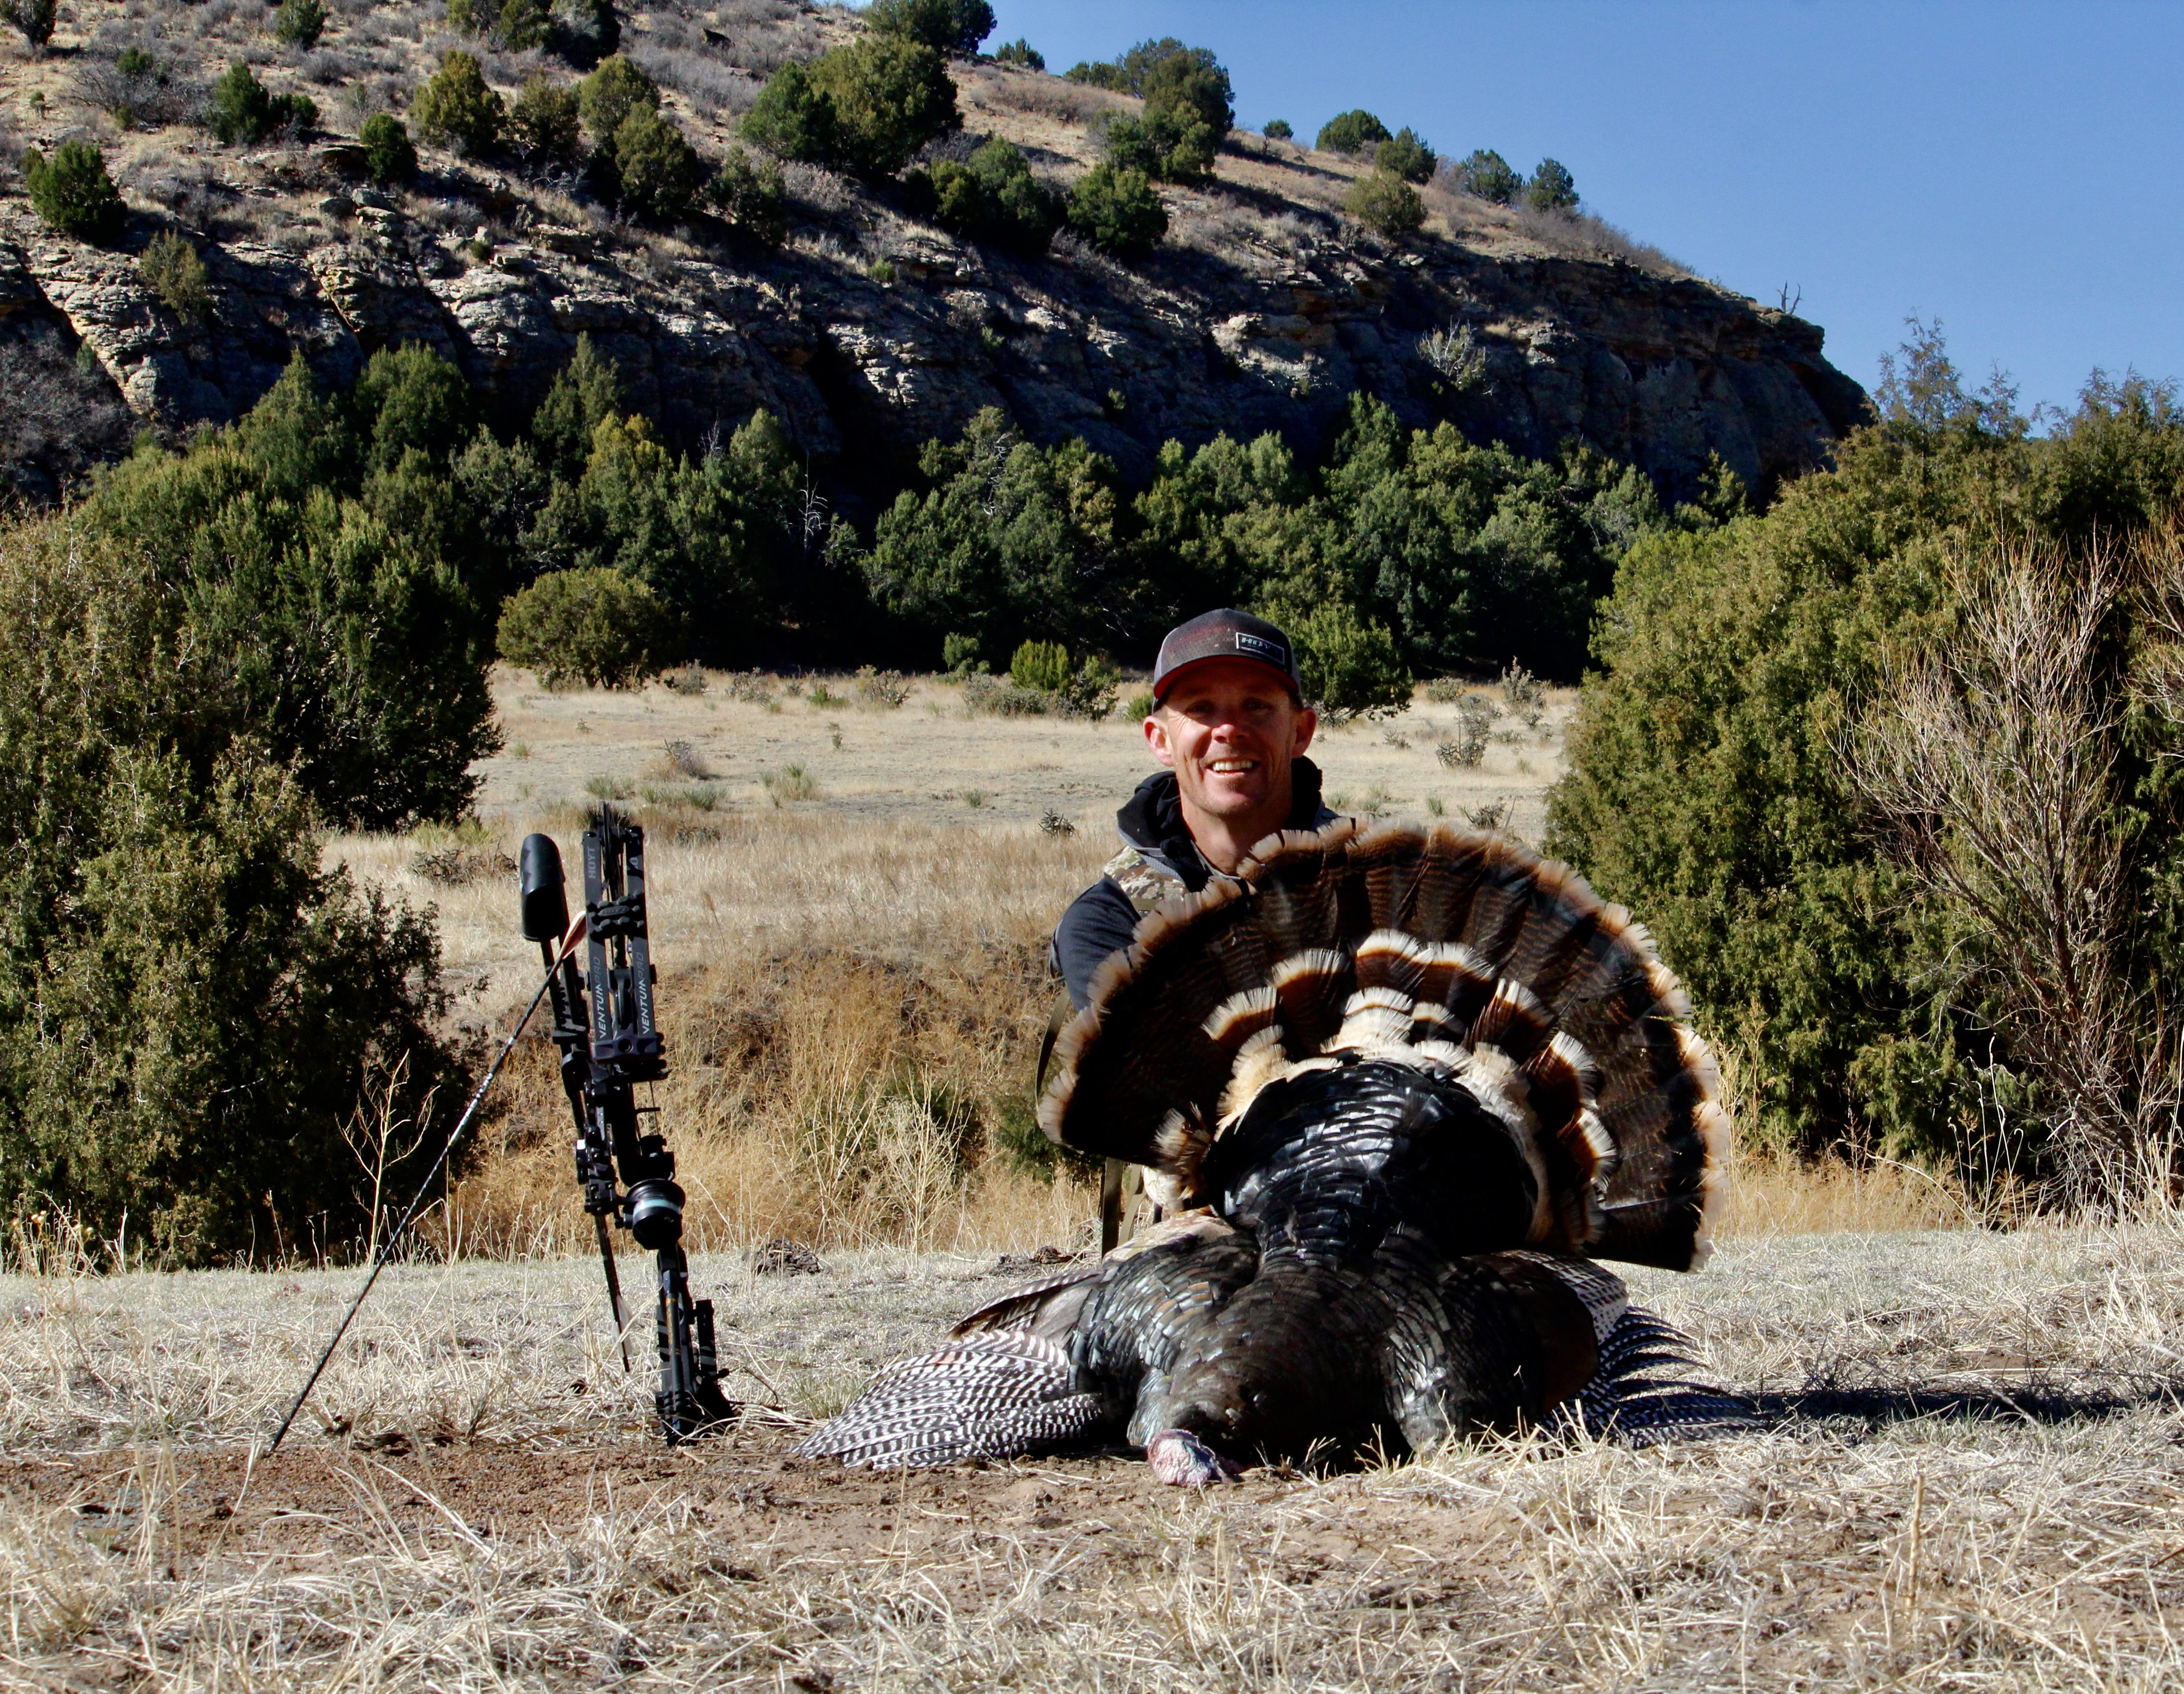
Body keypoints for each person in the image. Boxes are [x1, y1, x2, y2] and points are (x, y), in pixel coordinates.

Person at [1052, 607, 1335, 1011]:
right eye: (1200, 708)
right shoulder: (1111, 921)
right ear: (1161, 740)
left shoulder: (1382, 884)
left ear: (1300, 732)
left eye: (1257, 705)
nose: (1228, 728)